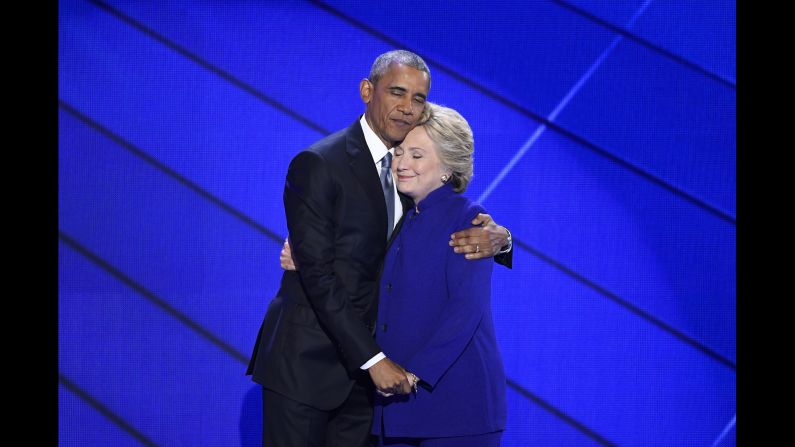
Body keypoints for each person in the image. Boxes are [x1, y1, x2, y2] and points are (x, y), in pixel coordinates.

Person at [246, 50, 512, 447]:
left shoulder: (414, 180)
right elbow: (319, 271)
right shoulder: (320, 162)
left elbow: (453, 222)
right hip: (308, 367)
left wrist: (504, 239)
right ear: (367, 91)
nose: (407, 107)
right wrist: (374, 360)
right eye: (397, 93)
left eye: (418, 99)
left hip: (373, 387)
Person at [371, 103, 506, 446]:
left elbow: (466, 311)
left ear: (448, 167)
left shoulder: (470, 219)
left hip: (456, 407)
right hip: (394, 405)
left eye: (417, 155)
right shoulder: (398, 214)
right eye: (399, 152)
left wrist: (414, 375)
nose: (401, 164)